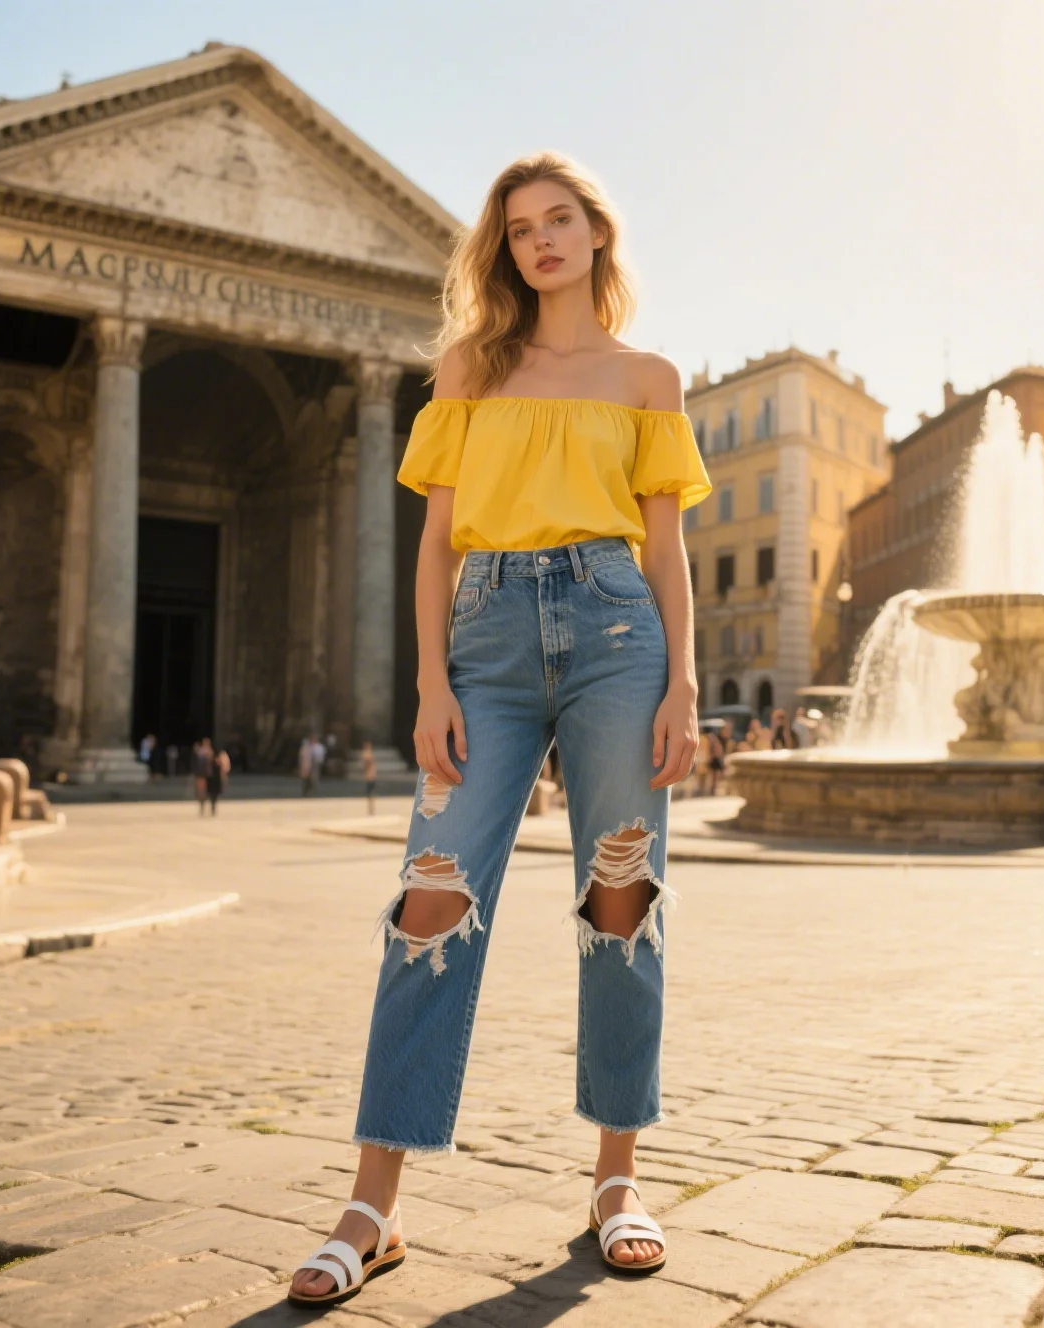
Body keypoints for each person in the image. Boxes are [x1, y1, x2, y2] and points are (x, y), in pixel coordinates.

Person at [289, 153, 710, 1306]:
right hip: (482, 642)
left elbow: (664, 544)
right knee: (431, 897)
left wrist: (685, 685)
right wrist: (428, 680)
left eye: (559, 219)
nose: (540, 241)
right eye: (519, 227)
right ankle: (371, 1204)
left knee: (620, 898)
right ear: (506, 249)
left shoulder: (647, 377)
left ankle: (616, 1176)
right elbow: (435, 541)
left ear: (595, 234)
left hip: (619, 634)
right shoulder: (468, 367)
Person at [205, 744, 230, 816]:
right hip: (211, 779)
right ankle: (212, 806)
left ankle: (213, 807)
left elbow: (225, 768)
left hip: (216, 779)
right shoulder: (209, 758)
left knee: (215, 794)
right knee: (211, 793)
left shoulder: (221, 759)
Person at [191, 738, 214, 816]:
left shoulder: (210, 751)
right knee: (201, 792)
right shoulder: (200, 751)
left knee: (207, 792)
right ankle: (202, 807)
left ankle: (208, 807)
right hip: (201, 774)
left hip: (207, 775)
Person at [362, 741, 378, 815]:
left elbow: (367, 765)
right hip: (371, 775)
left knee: (370, 792)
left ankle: (371, 808)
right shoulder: (369, 754)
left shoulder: (367, 754)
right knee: (371, 792)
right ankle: (371, 808)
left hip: (370, 776)